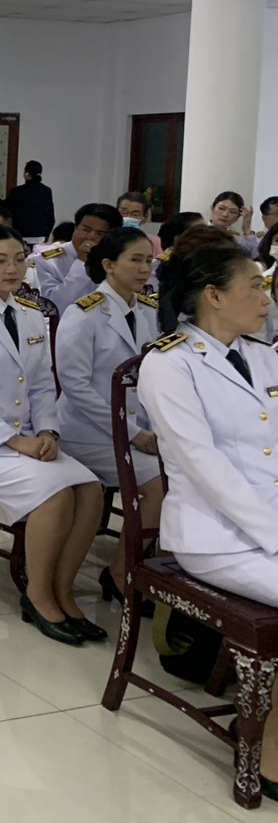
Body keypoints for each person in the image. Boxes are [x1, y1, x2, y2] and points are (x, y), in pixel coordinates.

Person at [140, 244, 278, 801]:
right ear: (214, 296)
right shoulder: (167, 363)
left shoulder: (265, 356)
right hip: (214, 536)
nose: (266, 296)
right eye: (254, 286)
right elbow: (205, 467)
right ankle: (272, 752)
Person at [0, 224, 105, 646]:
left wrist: (47, 430)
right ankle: (37, 593)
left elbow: (44, 385)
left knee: (91, 488)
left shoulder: (32, 315)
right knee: (57, 492)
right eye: (0, 260)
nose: (12, 268)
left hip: (29, 433)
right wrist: (16, 441)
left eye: (18, 259)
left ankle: (63, 590)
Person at [54, 227, 165, 603]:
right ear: (108, 265)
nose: (144, 268)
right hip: (86, 432)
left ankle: (161, 569)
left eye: (149, 260)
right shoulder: (83, 314)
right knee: (157, 484)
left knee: (185, 475)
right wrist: (133, 433)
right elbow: (76, 386)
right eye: (135, 259)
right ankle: (121, 573)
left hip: (137, 429)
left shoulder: (148, 311)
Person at [34, 202, 122, 312]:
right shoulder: (45, 261)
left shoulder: (116, 260)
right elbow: (54, 307)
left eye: (100, 234)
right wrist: (82, 262)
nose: (90, 237)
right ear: (75, 228)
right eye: (86, 230)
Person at [4, 161, 55, 241]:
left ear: (27, 174)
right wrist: (47, 233)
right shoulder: (47, 191)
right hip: (41, 236)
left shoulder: (17, 191)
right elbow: (50, 216)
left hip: (21, 235)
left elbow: (5, 208)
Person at [210, 190, 260, 256]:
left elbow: (254, 257)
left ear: (237, 217)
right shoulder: (198, 232)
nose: (225, 214)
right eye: (221, 208)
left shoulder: (235, 239)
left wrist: (247, 229)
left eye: (232, 212)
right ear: (212, 208)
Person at [116, 190, 161, 255]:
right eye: (124, 213)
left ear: (144, 218)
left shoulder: (155, 242)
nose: (128, 217)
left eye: (135, 214)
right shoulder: (106, 239)